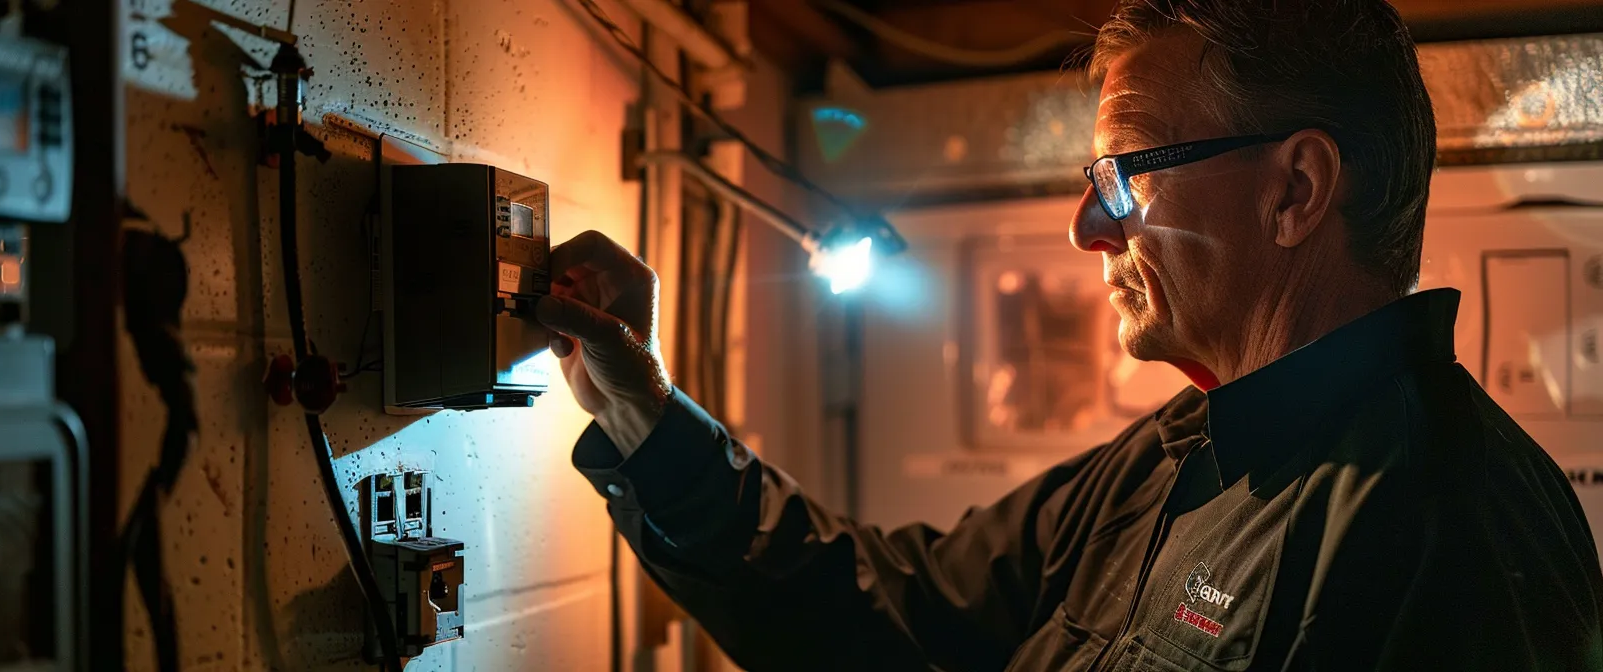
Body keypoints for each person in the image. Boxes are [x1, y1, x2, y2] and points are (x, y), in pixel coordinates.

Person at [535, 0, 1603, 669]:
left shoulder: (1444, 529)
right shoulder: (1181, 454)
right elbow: (893, 615)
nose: (1087, 226)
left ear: (1295, 191)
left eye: (1122, 176)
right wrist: (650, 422)